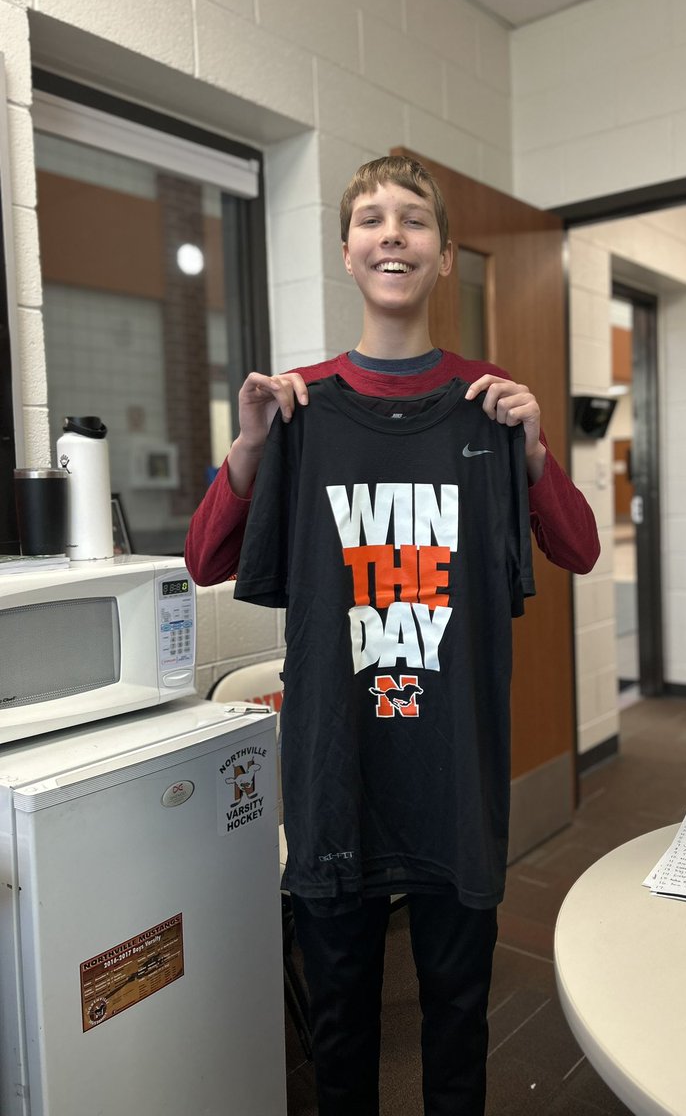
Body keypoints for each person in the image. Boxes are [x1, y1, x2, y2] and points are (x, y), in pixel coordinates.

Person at [186, 155, 600, 1115]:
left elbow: (576, 548)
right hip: (336, 781)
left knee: (458, 1024)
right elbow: (205, 560)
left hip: (455, 783)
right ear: (346, 251)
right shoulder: (298, 407)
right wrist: (250, 444)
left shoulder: (489, 403)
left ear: (445, 255)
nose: (392, 234)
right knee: (341, 1037)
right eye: (371, 219)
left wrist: (534, 452)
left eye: (414, 219)